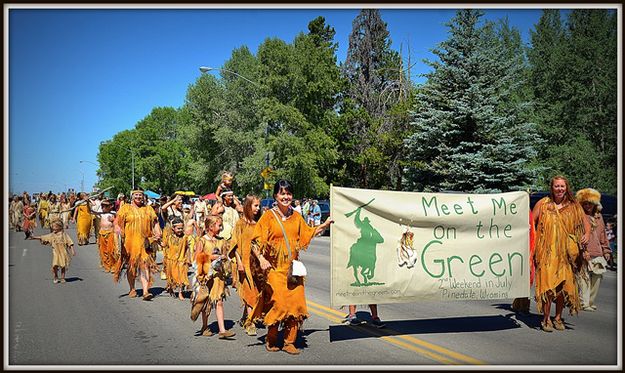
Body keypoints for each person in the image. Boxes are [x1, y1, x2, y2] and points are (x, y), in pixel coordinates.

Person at [248, 180, 333, 355]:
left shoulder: (296, 216)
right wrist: (261, 258)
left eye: (288, 193)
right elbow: (255, 242)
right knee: (278, 304)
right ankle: (271, 339)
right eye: (282, 193)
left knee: (296, 305)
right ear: (275, 196)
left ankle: (289, 342)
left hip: (292, 271)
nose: (286, 197)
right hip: (274, 269)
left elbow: (307, 233)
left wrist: (324, 225)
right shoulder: (268, 217)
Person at [533, 176, 590, 332]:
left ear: (567, 188)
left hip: (566, 255)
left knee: (562, 289)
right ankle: (546, 319)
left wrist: (587, 235)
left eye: (562, 186)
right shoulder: (543, 204)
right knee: (548, 288)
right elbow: (531, 222)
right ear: (552, 187)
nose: (559, 189)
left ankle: (557, 318)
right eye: (556, 186)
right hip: (547, 253)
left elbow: (586, 224)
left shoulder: (574, 205)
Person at [191, 215, 236, 339]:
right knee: (206, 302)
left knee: (219, 301)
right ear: (210, 227)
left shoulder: (221, 240)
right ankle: (205, 326)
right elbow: (197, 257)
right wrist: (212, 257)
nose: (221, 227)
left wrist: (225, 258)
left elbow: (226, 254)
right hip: (206, 275)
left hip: (218, 276)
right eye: (219, 225)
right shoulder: (202, 240)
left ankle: (222, 330)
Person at [113, 188, 162, 300]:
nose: (138, 197)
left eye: (140, 195)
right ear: (132, 197)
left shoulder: (148, 209)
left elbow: (155, 222)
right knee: (132, 267)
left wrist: (158, 232)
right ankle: (132, 289)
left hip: (145, 243)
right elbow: (117, 221)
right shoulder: (125, 208)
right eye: (136, 195)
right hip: (130, 243)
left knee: (145, 265)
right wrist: (117, 227)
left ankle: (145, 291)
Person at [230, 194, 262, 336]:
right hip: (245, 263)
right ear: (248, 206)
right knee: (250, 292)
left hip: (258, 264)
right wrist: (239, 262)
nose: (258, 208)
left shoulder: (260, 223)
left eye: (259, 206)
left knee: (256, 292)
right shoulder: (240, 223)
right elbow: (235, 245)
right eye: (255, 205)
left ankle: (245, 317)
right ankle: (250, 323)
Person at [576, 188, 611, 312]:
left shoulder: (598, 216)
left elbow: (603, 235)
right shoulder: (579, 216)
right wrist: (582, 250)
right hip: (584, 252)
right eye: (585, 203)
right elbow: (577, 235)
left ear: (595, 203)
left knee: (597, 277)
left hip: (597, 252)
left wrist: (606, 250)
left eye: (590, 203)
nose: (587, 206)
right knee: (584, 278)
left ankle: (590, 301)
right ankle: (583, 302)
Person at [30, 219, 76, 283]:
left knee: (63, 266)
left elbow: (70, 242)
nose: (53, 228)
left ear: (59, 227)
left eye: (55, 227)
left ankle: (63, 278)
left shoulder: (64, 235)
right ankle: (56, 277)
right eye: (52, 227)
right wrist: (34, 237)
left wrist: (73, 251)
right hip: (56, 253)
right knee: (55, 265)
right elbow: (44, 237)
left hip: (63, 252)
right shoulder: (52, 235)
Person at [160, 217, 191, 300]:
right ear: (173, 228)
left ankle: (180, 293)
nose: (180, 230)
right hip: (170, 260)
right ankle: (170, 288)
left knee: (181, 277)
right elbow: (164, 245)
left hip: (181, 260)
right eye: (178, 228)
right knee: (172, 277)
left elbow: (187, 248)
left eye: (182, 228)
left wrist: (188, 258)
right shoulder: (169, 237)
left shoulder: (185, 238)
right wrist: (158, 241)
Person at [93, 200, 118, 273]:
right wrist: (88, 202)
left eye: (105, 206)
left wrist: (114, 220)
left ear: (111, 206)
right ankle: (107, 266)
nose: (103, 208)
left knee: (111, 250)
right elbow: (92, 212)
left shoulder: (113, 213)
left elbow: (119, 220)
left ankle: (113, 266)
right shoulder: (101, 214)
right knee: (103, 251)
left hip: (110, 233)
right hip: (102, 233)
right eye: (102, 206)